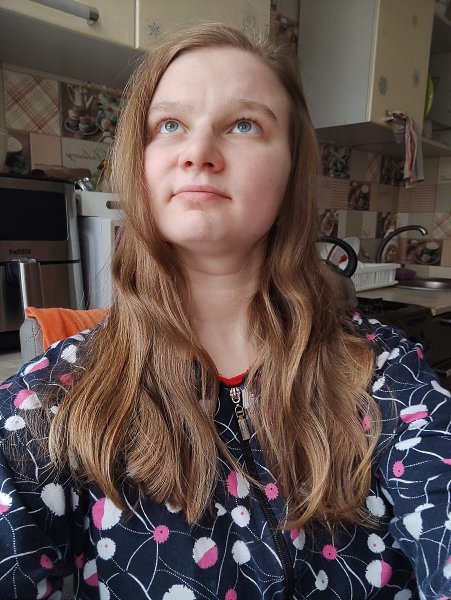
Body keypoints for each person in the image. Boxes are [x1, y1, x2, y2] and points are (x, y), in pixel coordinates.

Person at [0, 23, 450, 600]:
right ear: (140, 164)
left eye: (244, 125)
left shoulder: (383, 371)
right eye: (170, 125)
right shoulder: (53, 399)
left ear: (292, 171)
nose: (198, 153)